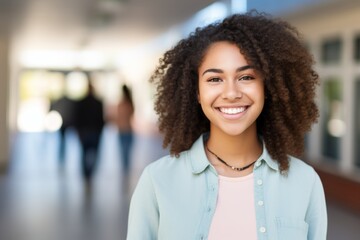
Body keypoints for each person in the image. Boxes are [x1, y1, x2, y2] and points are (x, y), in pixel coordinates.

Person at [127, 11, 327, 240]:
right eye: (214, 79)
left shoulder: (304, 181)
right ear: (197, 92)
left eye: (246, 77)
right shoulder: (158, 181)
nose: (231, 93)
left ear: (267, 87)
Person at [74, 77, 105, 181]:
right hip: (94, 132)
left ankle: (86, 174)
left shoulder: (81, 102)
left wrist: (79, 131)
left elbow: (77, 118)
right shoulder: (98, 102)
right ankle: (90, 173)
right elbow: (101, 119)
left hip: (85, 132)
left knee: (84, 153)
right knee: (94, 153)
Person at [117, 84, 135, 173]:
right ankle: (126, 169)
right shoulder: (130, 103)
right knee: (126, 152)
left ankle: (125, 169)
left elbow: (118, 117)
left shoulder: (121, 104)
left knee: (124, 152)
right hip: (128, 129)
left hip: (122, 130)